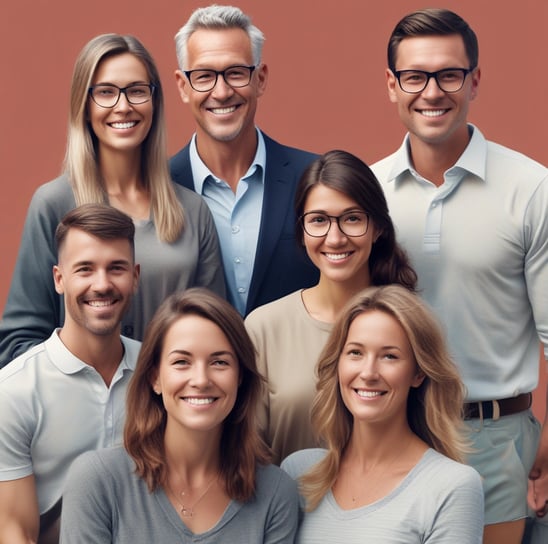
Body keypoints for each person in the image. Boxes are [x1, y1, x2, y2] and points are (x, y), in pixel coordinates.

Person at [370, 8, 548, 544]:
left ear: (474, 79)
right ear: (392, 85)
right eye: (414, 76)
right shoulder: (366, 192)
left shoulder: (531, 188)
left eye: (449, 74)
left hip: (495, 438)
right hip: (391, 431)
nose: (432, 92)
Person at [0, 33, 225, 367]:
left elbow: (215, 332)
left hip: (171, 409)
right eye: (106, 92)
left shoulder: (192, 211)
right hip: (80, 409)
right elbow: (18, 342)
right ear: (84, 105)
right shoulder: (53, 203)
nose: (123, 106)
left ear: (154, 102)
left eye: (136, 90)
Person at [59, 288, 299, 543]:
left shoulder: (276, 492)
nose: (201, 380)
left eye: (219, 362)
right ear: (155, 377)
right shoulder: (97, 481)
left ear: (240, 377)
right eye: (181, 362)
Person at [245, 150, 416, 463]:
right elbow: (249, 452)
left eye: (352, 218)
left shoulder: (408, 323)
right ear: (301, 231)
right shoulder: (263, 328)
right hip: (290, 508)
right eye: (319, 220)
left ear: (377, 227)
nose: (335, 238)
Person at [282, 285, 484, 543]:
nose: (368, 373)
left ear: (418, 373)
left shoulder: (452, 486)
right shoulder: (299, 471)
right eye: (355, 352)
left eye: (389, 356)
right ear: (338, 363)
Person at [0, 204, 141, 544]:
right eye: (85, 269)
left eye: (116, 268)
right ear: (59, 280)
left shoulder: (160, 374)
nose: (102, 284)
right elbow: (16, 531)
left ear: (135, 277)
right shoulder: (14, 390)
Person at [170, 4, 319, 316]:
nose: (221, 92)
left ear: (260, 79)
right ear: (183, 87)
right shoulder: (155, 186)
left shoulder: (314, 179)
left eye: (236, 73)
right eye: (204, 76)